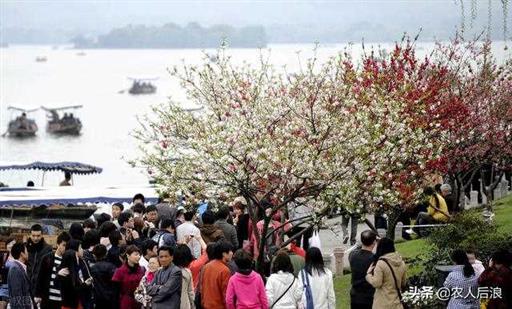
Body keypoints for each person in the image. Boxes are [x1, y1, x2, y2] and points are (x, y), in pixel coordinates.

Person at [365, 237, 407, 309]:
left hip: (382, 303)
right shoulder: (401, 263)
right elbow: (403, 283)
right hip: (397, 303)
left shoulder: (381, 263)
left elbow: (376, 283)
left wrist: (368, 275)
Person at [34, 231, 71, 309]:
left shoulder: (69, 260)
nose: (65, 248)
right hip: (47, 298)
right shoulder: (47, 258)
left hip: (62, 300)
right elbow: (40, 277)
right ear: (58, 244)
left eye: (67, 246)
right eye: (63, 245)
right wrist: (37, 295)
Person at [349, 230, 377, 309]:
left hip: (355, 295)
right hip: (369, 296)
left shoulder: (352, 255)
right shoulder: (374, 259)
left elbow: (355, 250)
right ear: (374, 242)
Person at [200, 241, 233, 309]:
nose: (232, 253)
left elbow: (202, 287)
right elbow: (225, 294)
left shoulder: (206, 266)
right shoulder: (225, 270)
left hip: (206, 305)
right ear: (224, 254)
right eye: (230, 251)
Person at [112, 245, 145, 309]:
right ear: (128, 255)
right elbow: (115, 293)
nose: (138, 257)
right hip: (126, 303)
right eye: (136, 254)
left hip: (140, 303)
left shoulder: (142, 270)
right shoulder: (119, 271)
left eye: (139, 255)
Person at [27, 224, 53, 296]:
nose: (35, 238)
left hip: (40, 286)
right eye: (33, 235)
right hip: (28, 284)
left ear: (42, 235)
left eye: (38, 236)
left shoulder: (47, 249)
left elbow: (48, 268)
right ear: (30, 235)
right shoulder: (27, 247)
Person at [90, 245, 118, 309]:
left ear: (94, 255)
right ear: (106, 253)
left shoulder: (92, 268)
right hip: (111, 299)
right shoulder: (111, 267)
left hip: (98, 299)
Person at [7, 243, 34, 309]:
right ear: (22, 253)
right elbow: (17, 296)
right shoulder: (15, 269)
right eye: (27, 251)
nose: (28, 253)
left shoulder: (20, 267)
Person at [171, 245, 195, 309]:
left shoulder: (166, 271)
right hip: (184, 305)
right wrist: (193, 306)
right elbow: (190, 293)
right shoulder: (187, 272)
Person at [0, 238, 15, 309]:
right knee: (2, 305)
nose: (11, 246)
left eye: (13, 244)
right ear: (6, 246)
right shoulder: (3, 256)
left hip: (15, 287)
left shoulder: (20, 257)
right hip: (5, 286)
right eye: (9, 244)